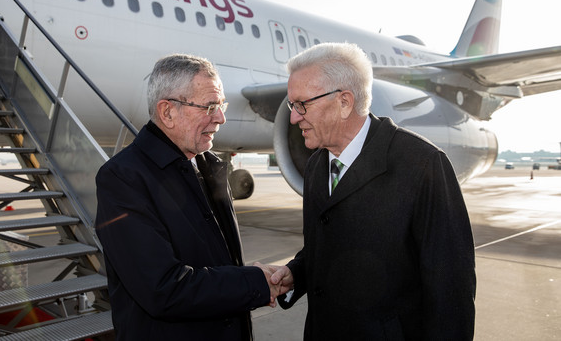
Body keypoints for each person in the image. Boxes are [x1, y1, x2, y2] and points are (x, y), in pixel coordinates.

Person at [269, 42, 476, 340]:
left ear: (344, 101)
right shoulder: (316, 166)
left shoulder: (423, 165)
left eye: (302, 104)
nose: (293, 117)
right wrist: (296, 273)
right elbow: (324, 245)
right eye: (292, 105)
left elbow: (451, 291)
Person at [95, 54, 279, 340]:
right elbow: (163, 289)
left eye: (221, 105)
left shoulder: (209, 165)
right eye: (210, 106)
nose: (221, 118)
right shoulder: (123, 178)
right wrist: (252, 283)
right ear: (167, 112)